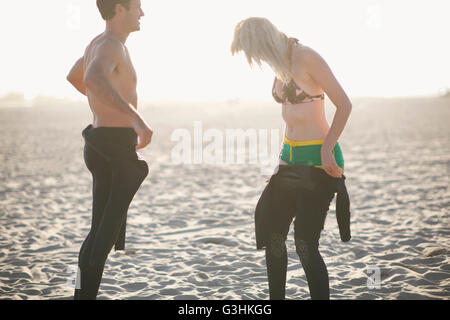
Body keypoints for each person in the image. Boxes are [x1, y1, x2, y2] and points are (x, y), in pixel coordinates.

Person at [231, 17, 353, 300]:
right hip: (289, 160)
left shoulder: (307, 57)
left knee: (305, 244)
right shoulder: (279, 63)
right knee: (274, 237)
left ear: (264, 41)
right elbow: (291, 117)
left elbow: (344, 104)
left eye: (255, 51)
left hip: (318, 161)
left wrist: (327, 148)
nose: (257, 59)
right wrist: (282, 161)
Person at [66, 0, 153, 300]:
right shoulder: (111, 47)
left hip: (99, 141)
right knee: (103, 236)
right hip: (115, 145)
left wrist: (104, 105)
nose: (142, 13)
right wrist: (135, 118)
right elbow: (91, 78)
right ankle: (84, 294)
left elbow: (75, 76)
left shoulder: (99, 43)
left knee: (97, 234)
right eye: (137, 7)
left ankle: (81, 293)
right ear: (119, 9)